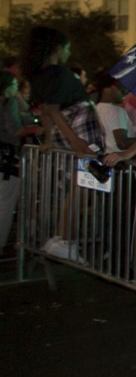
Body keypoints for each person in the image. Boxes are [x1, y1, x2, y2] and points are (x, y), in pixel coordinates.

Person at [25, 26, 106, 263]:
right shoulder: (59, 73)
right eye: (67, 48)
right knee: (85, 185)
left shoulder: (38, 74)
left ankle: (61, 238)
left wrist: (50, 140)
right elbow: (51, 110)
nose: (69, 53)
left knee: (79, 186)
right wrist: (77, 142)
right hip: (79, 125)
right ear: (57, 48)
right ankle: (65, 240)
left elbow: (46, 111)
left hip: (67, 128)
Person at [0, 71, 43, 253]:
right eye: (15, 86)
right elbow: (15, 130)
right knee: (5, 205)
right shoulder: (8, 103)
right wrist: (36, 129)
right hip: (6, 160)